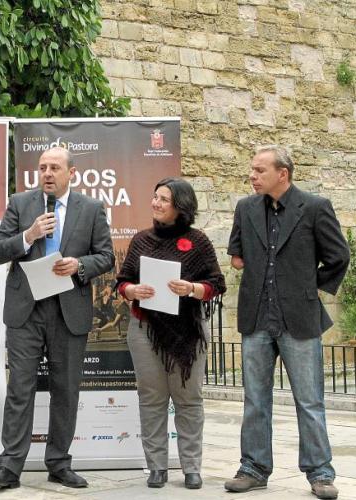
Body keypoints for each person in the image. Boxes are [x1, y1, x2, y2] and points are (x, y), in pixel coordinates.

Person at [0, 146, 114, 489]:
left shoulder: (91, 209)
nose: (47, 174)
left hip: (68, 310)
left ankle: (58, 463)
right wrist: (29, 235)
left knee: (66, 390)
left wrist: (80, 265)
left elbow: (106, 256)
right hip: (26, 310)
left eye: (55, 167)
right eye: (42, 168)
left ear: (72, 173)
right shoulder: (20, 203)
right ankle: (9, 467)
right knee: (20, 388)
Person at [224, 146, 349, 500]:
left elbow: (339, 256)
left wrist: (308, 286)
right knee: (255, 400)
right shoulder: (245, 207)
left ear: (283, 173)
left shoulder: (315, 207)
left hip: (300, 318)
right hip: (257, 317)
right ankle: (253, 468)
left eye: (260, 170)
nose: (252, 175)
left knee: (309, 401)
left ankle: (320, 473)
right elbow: (236, 257)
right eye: (252, 169)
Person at [115, 177, 226, 490]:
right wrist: (132, 290)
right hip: (145, 330)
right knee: (151, 399)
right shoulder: (141, 240)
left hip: (188, 332)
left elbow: (217, 284)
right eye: (155, 197)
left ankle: (191, 467)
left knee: (189, 399)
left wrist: (192, 288)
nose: (156, 203)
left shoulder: (198, 241)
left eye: (164, 199)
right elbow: (122, 281)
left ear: (181, 206)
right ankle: (156, 467)